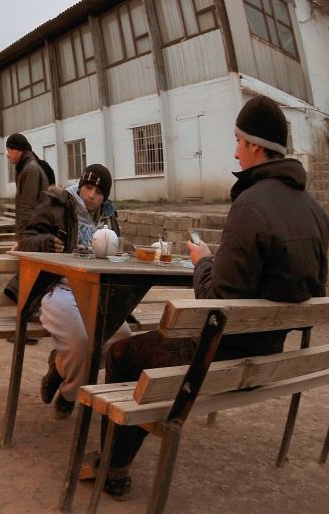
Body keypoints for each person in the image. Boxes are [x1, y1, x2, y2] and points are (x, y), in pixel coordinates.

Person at [85, 95, 329, 500]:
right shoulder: (314, 209)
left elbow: (213, 300)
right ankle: (116, 459)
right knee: (145, 348)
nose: (235, 150)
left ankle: (114, 468)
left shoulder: (250, 204)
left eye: (238, 141)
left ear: (254, 144)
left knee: (119, 355)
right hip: (278, 355)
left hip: (224, 358)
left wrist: (203, 261)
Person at [18, 164, 128, 419]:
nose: (91, 196)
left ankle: (58, 369)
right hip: (58, 288)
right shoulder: (57, 206)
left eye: (99, 192)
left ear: (105, 197)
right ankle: (69, 395)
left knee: (120, 343)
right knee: (80, 342)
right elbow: (24, 238)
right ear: (80, 186)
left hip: (98, 293)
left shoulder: (109, 217)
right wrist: (45, 243)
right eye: (88, 188)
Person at [6, 133, 51, 242]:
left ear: (16, 150)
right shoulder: (24, 168)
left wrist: (22, 239)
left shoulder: (29, 170)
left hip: (33, 233)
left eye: (8, 150)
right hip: (33, 232)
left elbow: (27, 208)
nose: (7, 155)